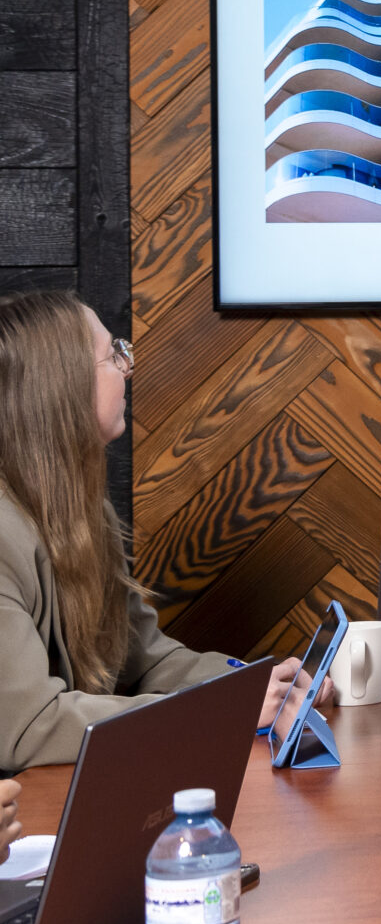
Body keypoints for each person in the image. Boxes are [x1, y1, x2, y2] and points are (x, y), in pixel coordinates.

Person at [1, 290, 327, 774]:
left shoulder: (85, 511)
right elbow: (30, 727)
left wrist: (254, 686)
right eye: (113, 354)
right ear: (61, 388)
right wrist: (218, 712)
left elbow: (145, 661)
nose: (127, 367)